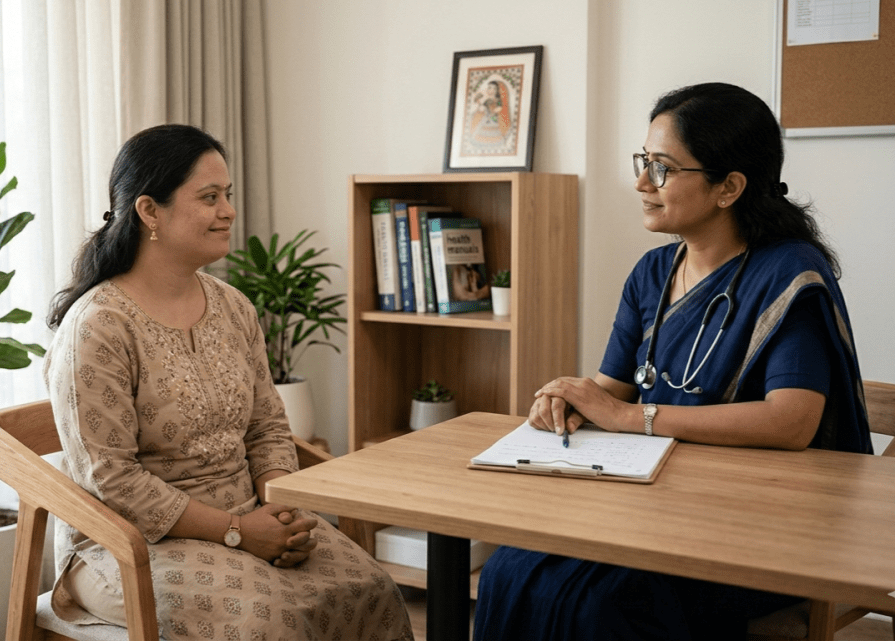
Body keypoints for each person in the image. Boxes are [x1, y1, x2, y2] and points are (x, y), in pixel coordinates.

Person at [473, 82, 873, 641]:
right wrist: (567, 400)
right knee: (510, 570)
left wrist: (630, 418)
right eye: (643, 162)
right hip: (654, 504)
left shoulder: (789, 274)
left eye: (661, 168)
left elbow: (792, 421)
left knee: (603, 602)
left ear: (729, 186)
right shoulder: (652, 274)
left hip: (759, 526)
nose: (641, 183)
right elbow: (611, 390)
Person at [44, 124, 413, 641]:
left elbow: (267, 428)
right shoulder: (99, 326)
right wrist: (239, 533)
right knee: (271, 625)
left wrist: (277, 509)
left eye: (228, 195)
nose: (229, 211)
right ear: (150, 211)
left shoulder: (232, 306)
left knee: (369, 589)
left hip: (251, 515)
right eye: (209, 197)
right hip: (128, 545)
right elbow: (111, 481)